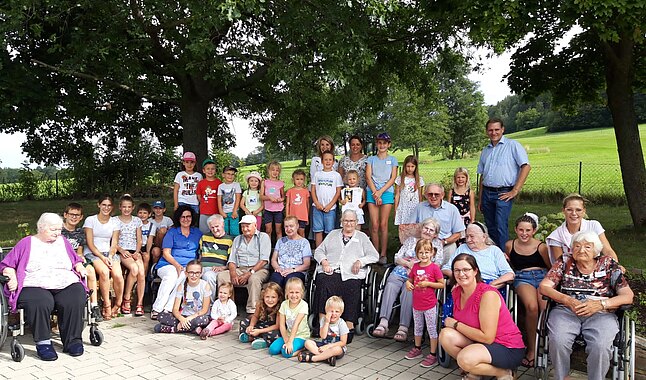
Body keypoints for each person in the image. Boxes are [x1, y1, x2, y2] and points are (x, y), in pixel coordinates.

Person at [539, 231, 633, 380]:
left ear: (596, 250)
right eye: (577, 246)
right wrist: (567, 300)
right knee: (558, 339)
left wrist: (601, 304)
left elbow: (628, 296)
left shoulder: (608, 264)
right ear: (571, 249)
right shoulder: (564, 261)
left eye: (587, 247)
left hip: (601, 313)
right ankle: (562, 377)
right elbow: (544, 287)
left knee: (601, 345)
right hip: (566, 310)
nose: (581, 250)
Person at [1, 213, 88, 361]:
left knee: (75, 295)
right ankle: (43, 344)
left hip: (64, 281)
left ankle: (73, 341)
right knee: (42, 301)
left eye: (59, 229)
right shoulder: (26, 243)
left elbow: (74, 259)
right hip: (34, 283)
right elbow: (7, 264)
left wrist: (79, 265)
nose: (58, 233)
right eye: (53, 229)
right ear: (41, 228)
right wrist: (11, 275)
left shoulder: (63, 241)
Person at [440, 254, 525, 380]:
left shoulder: (487, 295)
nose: (461, 274)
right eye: (457, 270)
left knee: (464, 358)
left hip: (506, 346)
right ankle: (476, 371)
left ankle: (503, 372)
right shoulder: (456, 292)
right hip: (479, 342)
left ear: (475, 271)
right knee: (445, 335)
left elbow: (488, 338)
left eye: (466, 270)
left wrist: (455, 324)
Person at [372, 218, 443, 342]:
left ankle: (403, 327)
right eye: (426, 228)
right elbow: (397, 257)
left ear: (435, 234)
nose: (427, 231)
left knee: (409, 290)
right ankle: (383, 322)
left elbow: (438, 264)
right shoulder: (411, 241)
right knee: (390, 285)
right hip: (402, 270)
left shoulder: (437, 245)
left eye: (431, 230)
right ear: (421, 228)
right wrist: (408, 264)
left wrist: (417, 267)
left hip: (420, 275)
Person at [313, 210, 379, 330]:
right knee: (323, 282)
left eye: (352, 221)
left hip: (351, 274)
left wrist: (360, 261)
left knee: (352, 286)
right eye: (346, 220)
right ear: (341, 222)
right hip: (331, 271)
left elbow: (374, 256)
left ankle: (349, 326)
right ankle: (322, 323)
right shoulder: (333, 234)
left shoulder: (362, 237)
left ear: (356, 222)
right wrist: (324, 261)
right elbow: (319, 251)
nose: (349, 223)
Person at [477, 118, 531, 249]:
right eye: (490, 130)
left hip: (504, 192)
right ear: (486, 131)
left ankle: (504, 257)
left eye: (496, 129)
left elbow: (526, 166)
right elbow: (482, 176)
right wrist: (480, 199)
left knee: (501, 225)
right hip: (487, 193)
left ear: (502, 129)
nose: (493, 132)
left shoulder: (513, 145)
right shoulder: (486, 151)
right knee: (490, 225)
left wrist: (515, 190)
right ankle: (493, 252)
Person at [504, 213, 550, 368]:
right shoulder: (510, 245)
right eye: (521, 230)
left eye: (528, 230)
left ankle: (545, 345)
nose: (524, 233)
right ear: (516, 230)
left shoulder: (541, 247)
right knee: (531, 307)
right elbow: (510, 266)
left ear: (534, 231)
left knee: (544, 308)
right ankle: (531, 349)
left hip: (542, 276)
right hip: (522, 277)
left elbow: (550, 267)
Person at [150, 206, 203, 320]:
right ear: (178, 218)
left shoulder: (197, 233)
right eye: (182, 217)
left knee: (183, 277)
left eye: (188, 216)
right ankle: (157, 308)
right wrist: (178, 266)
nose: (185, 219)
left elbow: (201, 251)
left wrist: (195, 265)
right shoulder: (172, 232)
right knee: (172, 276)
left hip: (187, 267)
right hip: (167, 264)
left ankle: (168, 309)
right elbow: (166, 253)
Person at [217, 214, 271, 314]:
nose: (245, 229)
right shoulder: (238, 239)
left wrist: (249, 273)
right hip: (240, 268)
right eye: (242, 226)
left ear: (255, 225)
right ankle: (227, 307)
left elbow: (263, 260)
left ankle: (253, 310)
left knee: (254, 279)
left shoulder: (263, 237)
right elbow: (232, 260)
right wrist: (233, 274)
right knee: (222, 276)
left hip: (259, 269)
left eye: (247, 226)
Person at [404, 240, 444, 368]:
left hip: (429, 304)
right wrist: (408, 284)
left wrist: (429, 284)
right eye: (421, 252)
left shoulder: (434, 268)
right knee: (418, 327)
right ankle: (417, 348)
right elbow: (410, 279)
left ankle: (433, 354)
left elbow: (442, 284)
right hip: (417, 304)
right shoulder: (415, 266)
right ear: (416, 253)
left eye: (427, 252)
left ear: (432, 253)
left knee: (431, 329)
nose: (424, 255)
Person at [546, 193, 619, 263]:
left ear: (584, 211)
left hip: (596, 268)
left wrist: (616, 266)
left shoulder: (594, 226)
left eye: (578, 210)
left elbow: (607, 250)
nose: (574, 213)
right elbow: (560, 263)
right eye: (569, 210)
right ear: (563, 211)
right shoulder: (556, 236)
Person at [83, 195, 122, 321]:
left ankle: (118, 304)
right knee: (104, 272)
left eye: (109, 205)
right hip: (93, 253)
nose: (106, 208)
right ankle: (107, 305)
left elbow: (114, 242)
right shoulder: (90, 220)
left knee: (117, 275)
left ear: (112, 207)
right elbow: (90, 243)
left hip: (109, 253)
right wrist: (102, 257)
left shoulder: (115, 222)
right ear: (98, 205)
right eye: (104, 205)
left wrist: (110, 256)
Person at [61, 202, 101, 321]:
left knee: (90, 271)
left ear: (81, 217)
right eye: (71, 214)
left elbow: (79, 250)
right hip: (62, 261)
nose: (74, 217)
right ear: (65, 215)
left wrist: (80, 256)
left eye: (77, 215)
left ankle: (94, 305)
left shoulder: (80, 232)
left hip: (76, 260)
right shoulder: (58, 231)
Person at [442, 222, 514, 287]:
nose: (468, 240)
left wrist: (493, 284)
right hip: (465, 283)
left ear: (484, 237)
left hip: (489, 285)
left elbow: (509, 274)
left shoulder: (494, 250)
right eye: (467, 237)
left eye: (472, 236)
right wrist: (458, 277)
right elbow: (446, 268)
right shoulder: (462, 248)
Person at [409, 183, 465, 263]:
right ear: (425, 195)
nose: (433, 197)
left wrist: (444, 242)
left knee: (451, 249)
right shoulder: (419, 207)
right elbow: (411, 227)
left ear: (442, 195)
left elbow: (458, 233)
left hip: (445, 244)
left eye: (437, 194)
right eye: (430, 194)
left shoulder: (452, 209)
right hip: (422, 244)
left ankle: (446, 272)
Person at [365, 132, 398, 265]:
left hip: (386, 192)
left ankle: (383, 254)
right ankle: (374, 252)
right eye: (379, 142)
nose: (382, 145)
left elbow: (393, 178)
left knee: (384, 225)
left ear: (388, 144)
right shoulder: (371, 159)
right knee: (374, 225)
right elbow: (368, 176)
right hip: (372, 192)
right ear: (376, 144)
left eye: (384, 143)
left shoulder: (393, 160)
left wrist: (380, 192)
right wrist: (375, 193)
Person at [154, 259, 211, 333]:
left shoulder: (205, 285)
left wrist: (189, 318)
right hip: (184, 316)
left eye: (197, 273)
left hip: (197, 316)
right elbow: (175, 309)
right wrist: (182, 319)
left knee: (204, 320)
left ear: (201, 273)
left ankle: (174, 329)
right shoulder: (181, 286)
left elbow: (204, 310)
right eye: (191, 272)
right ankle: (193, 329)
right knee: (161, 316)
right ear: (186, 273)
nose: (194, 275)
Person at [114, 194, 145, 317]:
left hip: (134, 250)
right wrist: (121, 250)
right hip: (122, 251)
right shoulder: (115, 220)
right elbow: (113, 241)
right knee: (134, 268)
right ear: (120, 207)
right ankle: (127, 298)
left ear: (133, 208)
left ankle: (140, 303)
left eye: (129, 207)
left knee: (141, 272)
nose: (126, 209)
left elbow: (139, 239)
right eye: (124, 207)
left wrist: (137, 252)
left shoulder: (137, 220)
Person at [299, 296, 349, 366]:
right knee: (308, 342)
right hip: (323, 345)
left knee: (337, 349)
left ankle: (313, 358)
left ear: (341, 313)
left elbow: (343, 342)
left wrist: (328, 346)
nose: (333, 314)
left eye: (337, 311)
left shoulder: (341, 323)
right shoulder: (323, 320)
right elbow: (323, 336)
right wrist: (327, 322)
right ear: (326, 311)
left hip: (334, 347)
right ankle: (326, 358)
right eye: (331, 311)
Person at [269, 277, 310, 358]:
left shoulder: (304, 305)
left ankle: (303, 349)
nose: (294, 295)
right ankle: (289, 346)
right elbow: (282, 325)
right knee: (273, 350)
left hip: (301, 336)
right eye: (291, 292)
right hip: (288, 334)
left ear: (301, 293)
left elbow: (296, 324)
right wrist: (286, 340)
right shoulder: (284, 304)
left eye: (297, 292)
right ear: (287, 292)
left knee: (286, 353)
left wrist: (290, 342)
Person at [311, 151, 343, 247]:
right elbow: (313, 190)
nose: (328, 162)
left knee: (329, 232)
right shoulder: (317, 174)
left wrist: (330, 205)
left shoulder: (336, 175)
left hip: (330, 208)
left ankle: (329, 253)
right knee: (318, 231)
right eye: (326, 159)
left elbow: (338, 192)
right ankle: (318, 253)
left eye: (330, 160)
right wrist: (317, 203)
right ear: (322, 161)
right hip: (317, 208)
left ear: (333, 162)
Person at [198, 214, 233, 302]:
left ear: (223, 225)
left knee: (208, 276)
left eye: (217, 226)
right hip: (202, 267)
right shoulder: (204, 237)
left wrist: (223, 268)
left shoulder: (230, 240)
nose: (215, 229)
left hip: (218, 270)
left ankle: (209, 305)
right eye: (212, 227)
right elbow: (200, 256)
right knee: (189, 274)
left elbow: (232, 261)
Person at [269, 216, 312, 288]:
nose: (288, 229)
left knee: (290, 281)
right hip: (281, 270)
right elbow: (273, 259)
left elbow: (307, 264)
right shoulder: (280, 241)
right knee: (275, 280)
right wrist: (278, 268)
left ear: (297, 226)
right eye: (286, 226)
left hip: (297, 271)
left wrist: (293, 270)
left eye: (291, 226)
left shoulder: (304, 242)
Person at [239, 282, 284, 350]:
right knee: (244, 322)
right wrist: (251, 326)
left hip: (272, 328)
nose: (270, 300)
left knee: (275, 335)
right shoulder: (260, 304)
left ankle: (261, 340)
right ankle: (252, 337)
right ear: (263, 296)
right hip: (262, 324)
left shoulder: (280, 307)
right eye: (267, 297)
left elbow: (277, 326)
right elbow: (255, 316)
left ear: (278, 298)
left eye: (273, 297)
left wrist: (259, 331)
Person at [394, 155, 425, 244]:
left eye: (412, 166)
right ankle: (403, 245)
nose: (410, 169)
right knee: (403, 228)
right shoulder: (400, 179)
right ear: (404, 166)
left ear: (415, 167)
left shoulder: (419, 180)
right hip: (403, 207)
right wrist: (396, 208)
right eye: (408, 166)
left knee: (414, 227)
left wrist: (420, 208)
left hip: (414, 207)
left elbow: (420, 195)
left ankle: (415, 245)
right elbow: (397, 194)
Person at [196, 158, 222, 234]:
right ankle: (204, 245)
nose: (210, 171)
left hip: (216, 211)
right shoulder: (201, 183)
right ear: (204, 170)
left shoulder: (219, 183)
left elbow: (221, 197)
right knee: (204, 231)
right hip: (204, 212)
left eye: (212, 169)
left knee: (216, 231)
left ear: (215, 170)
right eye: (208, 169)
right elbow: (199, 196)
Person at [261, 160, 285, 241]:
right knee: (268, 230)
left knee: (278, 230)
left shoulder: (281, 183)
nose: (275, 172)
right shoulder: (265, 182)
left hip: (278, 210)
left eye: (277, 170)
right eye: (273, 170)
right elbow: (261, 196)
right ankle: (267, 249)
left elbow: (283, 197)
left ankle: (279, 249)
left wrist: (280, 199)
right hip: (268, 210)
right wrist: (269, 198)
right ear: (268, 171)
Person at [217, 165, 242, 236]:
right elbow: (219, 200)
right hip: (224, 212)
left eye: (232, 174)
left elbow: (238, 198)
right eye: (228, 174)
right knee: (225, 230)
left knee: (234, 231)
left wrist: (235, 211)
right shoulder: (221, 186)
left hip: (233, 212)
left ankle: (235, 245)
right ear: (223, 175)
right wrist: (221, 211)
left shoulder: (236, 185)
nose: (230, 176)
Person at [136, 202, 158, 281]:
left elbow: (150, 239)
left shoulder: (152, 226)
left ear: (149, 214)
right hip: (135, 246)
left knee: (146, 257)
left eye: (145, 213)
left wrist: (148, 251)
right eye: (140, 213)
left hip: (146, 246)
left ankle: (144, 278)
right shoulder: (135, 224)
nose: (142, 215)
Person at [285, 169, 310, 237]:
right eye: (297, 179)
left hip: (303, 216)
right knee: (292, 232)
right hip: (292, 216)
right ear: (293, 180)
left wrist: (307, 217)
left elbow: (307, 205)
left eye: (301, 179)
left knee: (301, 232)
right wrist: (287, 216)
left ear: (304, 180)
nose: (299, 181)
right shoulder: (290, 191)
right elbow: (287, 204)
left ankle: (302, 246)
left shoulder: (306, 191)